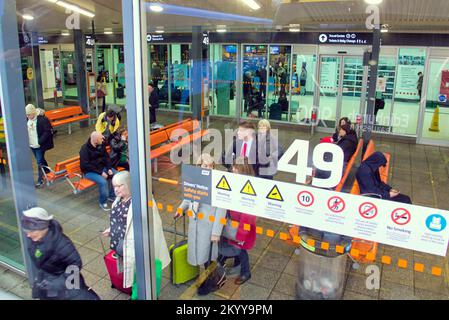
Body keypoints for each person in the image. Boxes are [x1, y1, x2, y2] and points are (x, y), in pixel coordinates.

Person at [102, 171, 170, 299]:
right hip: (123, 246)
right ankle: (136, 294)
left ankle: (140, 296)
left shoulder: (144, 201)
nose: (115, 190)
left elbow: (153, 226)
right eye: (114, 186)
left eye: (119, 186)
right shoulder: (119, 200)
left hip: (139, 248)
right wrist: (111, 229)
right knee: (133, 275)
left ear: (128, 184)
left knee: (141, 276)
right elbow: (120, 221)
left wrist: (145, 249)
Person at [21, 207, 100, 300]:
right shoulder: (35, 239)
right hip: (48, 285)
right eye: (27, 231)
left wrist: (57, 283)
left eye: (31, 231)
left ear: (42, 227)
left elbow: (75, 265)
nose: (28, 235)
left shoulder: (63, 244)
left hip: (66, 288)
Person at [175, 154, 227, 293]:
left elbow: (221, 210)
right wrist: (181, 209)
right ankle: (205, 278)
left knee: (209, 257)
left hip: (208, 228)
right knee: (201, 255)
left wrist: (216, 232)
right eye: (205, 166)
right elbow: (188, 198)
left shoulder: (217, 184)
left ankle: (212, 283)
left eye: (211, 166)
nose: (208, 169)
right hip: (196, 226)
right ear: (199, 166)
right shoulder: (195, 180)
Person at [218, 157, 257, 285]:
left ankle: (246, 273)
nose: (233, 169)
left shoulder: (249, 188)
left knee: (241, 250)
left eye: (236, 168)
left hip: (241, 226)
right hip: (232, 223)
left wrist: (241, 235)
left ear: (244, 171)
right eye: (233, 167)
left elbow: (247, 216)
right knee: (233, 246)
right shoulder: (235, 181)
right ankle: (235, 263)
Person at [80, 132, 116, 211]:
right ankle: (102, 202)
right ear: (95, 140)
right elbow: (85, 165)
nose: (103, 139)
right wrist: (100, 172)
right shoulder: (84, 149)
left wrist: (109, 168)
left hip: (102, 168)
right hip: (89, 172)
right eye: (101, 138)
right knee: (103, 182)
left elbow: (107, 158)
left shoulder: (101, 145)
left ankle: (112, 196)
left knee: (116, 175)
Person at [25, 104, 54, 188]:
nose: (28, 116)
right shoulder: (27, 119)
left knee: (39, 162)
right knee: (41, 160)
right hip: (31, 145)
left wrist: (39, 141)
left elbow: (47, 132)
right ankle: (48, 172)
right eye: (26, 115)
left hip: (39, 146)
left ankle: (40, 180)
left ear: (33, 113)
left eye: (29, 114)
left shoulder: (42, 120)